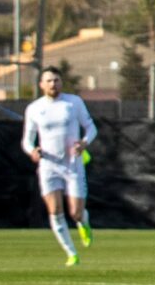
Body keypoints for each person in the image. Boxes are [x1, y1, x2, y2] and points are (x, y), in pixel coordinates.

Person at [20, 65, 97, 266]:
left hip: (72, 164)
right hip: (49, 165)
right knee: (55, 211)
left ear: (61, 82)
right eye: (49, 81)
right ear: (41, 85)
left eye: (57, 80)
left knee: (76, 212)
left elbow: (91, 128)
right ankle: (71, 253)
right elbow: (27, 140)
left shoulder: (73, 103)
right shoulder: (34, 108)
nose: (54, 84)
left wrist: (84, 143)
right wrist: (32, 151)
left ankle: (84, 223)